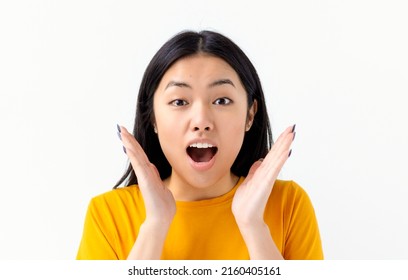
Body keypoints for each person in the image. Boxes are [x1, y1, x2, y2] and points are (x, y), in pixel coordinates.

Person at [76, 30, 323, 260]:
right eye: (180, 102)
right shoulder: (108, 214)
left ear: (250, 115)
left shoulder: (288, 204)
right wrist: (156, 224)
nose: (202, 121)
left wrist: (253, 224)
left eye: (222, 100)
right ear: (152, 117)